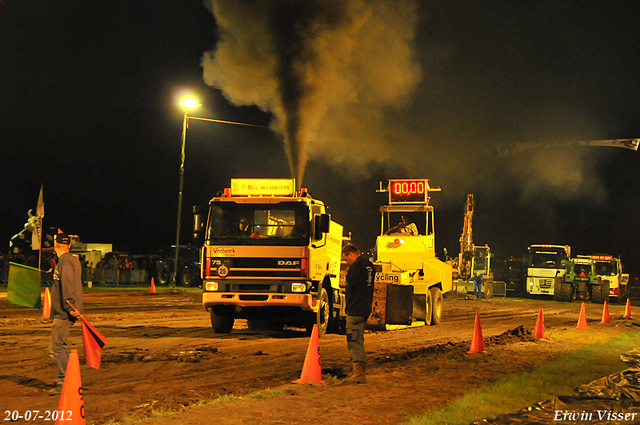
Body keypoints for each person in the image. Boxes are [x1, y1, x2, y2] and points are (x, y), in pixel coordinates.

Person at [48, 232, 83, 395]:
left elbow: (68, 284)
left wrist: (70, 306)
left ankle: (66, 381)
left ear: (55, 245)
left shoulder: (66, 261)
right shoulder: (67, 260)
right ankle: (68, 379)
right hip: (65, 309)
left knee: (56, 346)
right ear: (68, 245)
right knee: (58, 345)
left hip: (64, 311)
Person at [341, 243, 375, 384]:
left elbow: (352, 283)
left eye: (345, 258)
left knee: (354, 340)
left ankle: (358, 374)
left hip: (355, 308)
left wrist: (345, 276)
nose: (346, 261)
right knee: (358, 338)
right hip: (365, 307)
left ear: (351, 254)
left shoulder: (356, 267)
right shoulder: (369, 266)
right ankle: (359, 373)